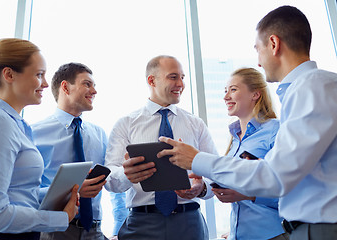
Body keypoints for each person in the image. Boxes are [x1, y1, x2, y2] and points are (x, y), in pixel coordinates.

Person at [158, 5, 337, 240]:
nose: (259, 63)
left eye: (258, 50)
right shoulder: (312, 87)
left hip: (314, 229)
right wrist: (203, 187)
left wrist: (196, 159)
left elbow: (275, 176)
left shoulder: (310, 87)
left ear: (274, 44)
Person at [104, 55, 218, 240]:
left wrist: (202, 188)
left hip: (189, 223)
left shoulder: (195, 124)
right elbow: (110, 180)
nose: (180, 83)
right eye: (173, 77)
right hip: (142, 225)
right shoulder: (126, 124)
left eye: (182, 77)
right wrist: (126, 174)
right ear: (152, 80)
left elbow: (217, 173)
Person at [0, 38, 79, 240]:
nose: (46, 83)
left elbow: (19, 195)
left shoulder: (17, 125)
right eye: (39, 74)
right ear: (9, 74)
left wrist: (63, 192)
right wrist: (60, 218)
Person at [32, 62, 128, 240]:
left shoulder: (99, 134)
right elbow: (25, 192)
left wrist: (118, 228)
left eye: (94, 85)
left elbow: (112, 183)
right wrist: (71, 192)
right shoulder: (34, 133)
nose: (94, 91)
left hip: (95, 231)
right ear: (65, 87)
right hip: (54, 230)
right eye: (87, 84)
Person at [213, 68, 287, 240]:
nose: (226, 97)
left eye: (233, 89)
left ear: (255, 94)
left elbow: (289, 187)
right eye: (225, 91)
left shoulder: (276, 130)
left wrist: (249, 195)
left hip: (271, 234)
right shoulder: (234, 138)